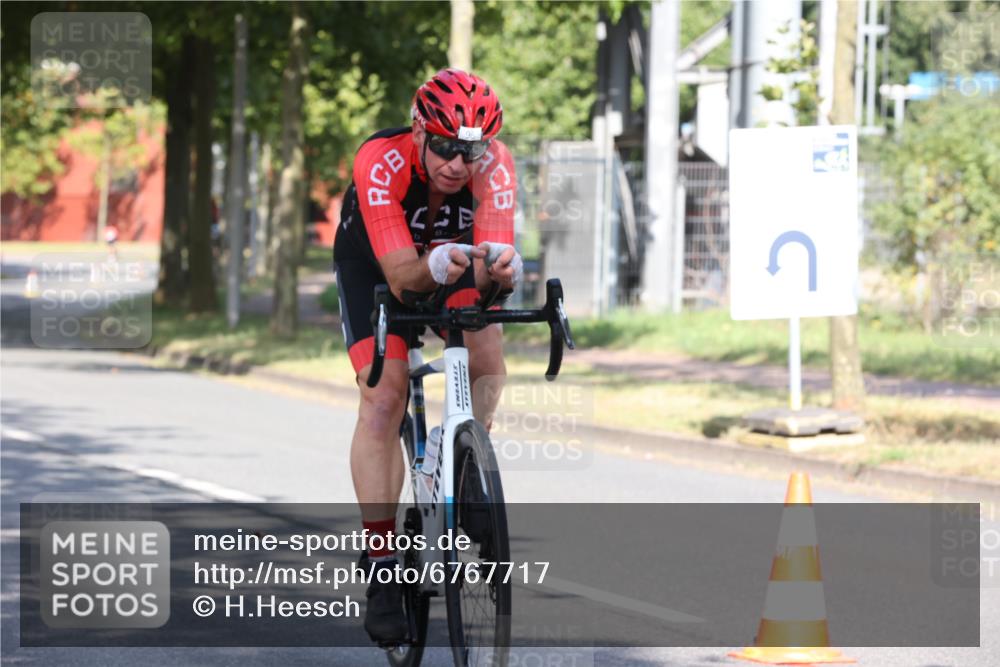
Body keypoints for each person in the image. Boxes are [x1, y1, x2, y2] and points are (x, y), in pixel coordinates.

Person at [333, 68, 522, 645]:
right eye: (444, 147)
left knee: (487, 357)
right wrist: (434, 264)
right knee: (383, 398)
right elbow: (403, 277)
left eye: (471, 151)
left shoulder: (496, 165)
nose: (458, 165)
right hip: (378, 267)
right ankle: (383, 562)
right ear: (419, 131)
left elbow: (490, 269)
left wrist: (502, 275)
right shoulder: (381, 160)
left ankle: (465, 470)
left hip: (454, 258)